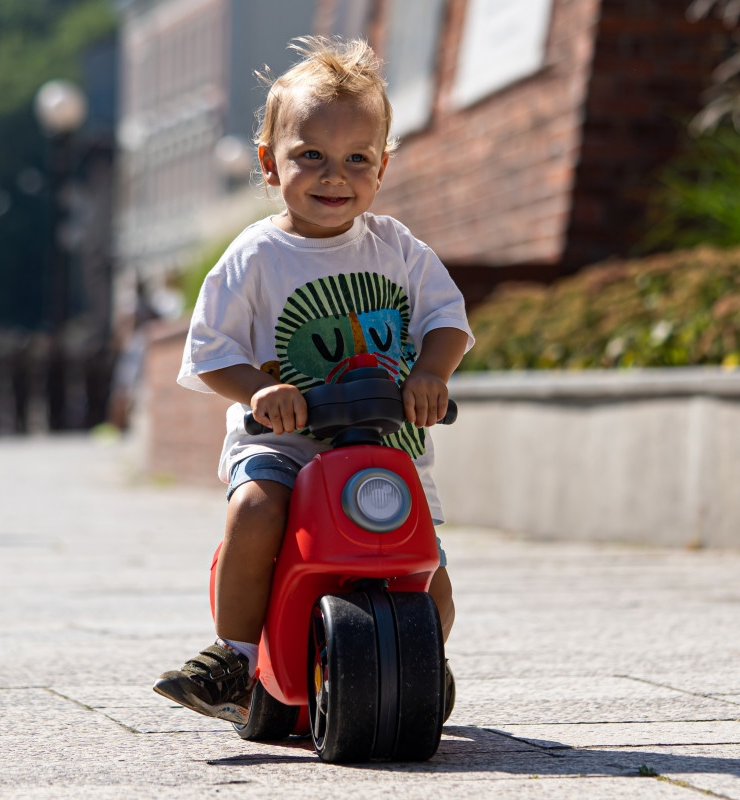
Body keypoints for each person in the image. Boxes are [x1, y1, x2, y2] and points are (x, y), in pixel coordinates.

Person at [154, 35, 474, 723]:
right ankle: (234, 657)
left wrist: (431, 372)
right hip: (288, 445)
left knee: (431, 568)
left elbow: (448, 318)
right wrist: (258, 392)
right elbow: (210, 350)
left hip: (384, 442)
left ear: (382, 168)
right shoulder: (257, 256)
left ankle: (421, 658)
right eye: (312, 158)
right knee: (256, 509)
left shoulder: (397, 248)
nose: (335, 176)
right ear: (271, 165)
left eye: (357, 159)